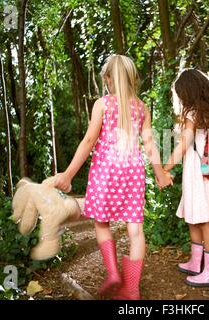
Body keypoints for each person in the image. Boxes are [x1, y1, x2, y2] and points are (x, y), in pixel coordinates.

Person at [55, 54, 173, 299]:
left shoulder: (103, 104)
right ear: (133, 79)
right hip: (133, 169)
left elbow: (89, 141)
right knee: (136, 230)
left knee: (100, 221)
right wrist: (160, 173)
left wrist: (67, 175)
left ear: (108, 79)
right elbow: (150, 144)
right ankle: (132, 289)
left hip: (106, 169)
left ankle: (113, 273)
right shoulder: (141, 107)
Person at [163, 69, 209, 287]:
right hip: (203, 171)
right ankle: (196, 261)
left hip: (200, 174)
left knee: (205, 221)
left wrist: (165, 167)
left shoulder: (193, 113)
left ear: (187, 92)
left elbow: (183, 145)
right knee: (194, 217)